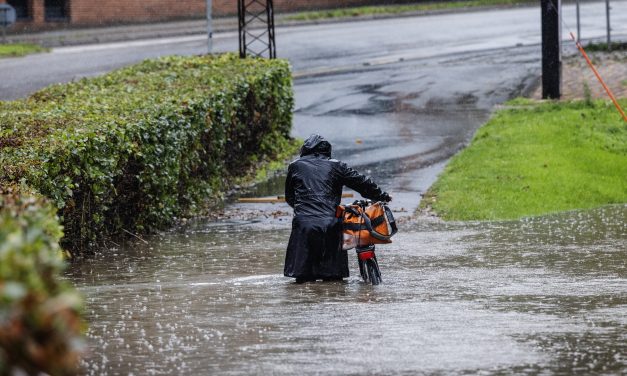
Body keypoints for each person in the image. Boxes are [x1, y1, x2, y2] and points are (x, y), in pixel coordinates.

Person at [284, 134, 391, 283]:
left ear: (305, 150)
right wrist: (381, 195)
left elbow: (290, 197)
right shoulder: (336, 166)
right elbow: (361, 182)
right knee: (333, 278)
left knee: (303, 278)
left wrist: (304, 212)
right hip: (331, 224)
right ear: (327, 151)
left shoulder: (295, 166)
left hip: (303, 226)